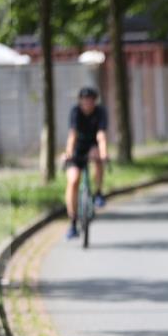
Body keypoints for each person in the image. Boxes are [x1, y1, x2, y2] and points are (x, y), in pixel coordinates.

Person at [62, 87, 109, 239]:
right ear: (80, 101)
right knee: (73, 180)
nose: (87, 103)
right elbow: (72, 134)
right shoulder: (75, 112)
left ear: (95, 101)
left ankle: (98, 193)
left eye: (90, 100)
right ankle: (73, 222)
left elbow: (101, 135)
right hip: (77, 148)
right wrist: (68, 152)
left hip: (92, 146)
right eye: (84, 100)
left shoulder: (100, 112)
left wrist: (104, 152)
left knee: (97, 157)